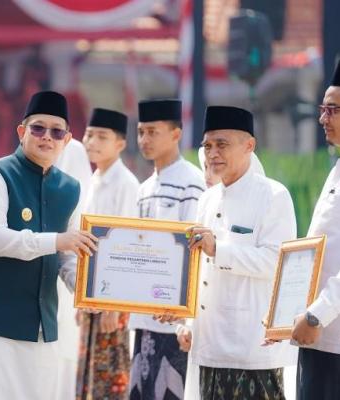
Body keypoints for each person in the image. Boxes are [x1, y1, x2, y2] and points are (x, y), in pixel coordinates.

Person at [0, 90, 98, 400]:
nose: (46, 137)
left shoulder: (70, 188)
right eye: (38, 128)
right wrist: (56, 241)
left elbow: (67, 255)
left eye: (56, 131)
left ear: (67, 139)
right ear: (22, 131)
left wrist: (88, 290)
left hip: (41, 324)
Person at [177, 105, 297, 400]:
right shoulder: (207, 198)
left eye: (222, 144)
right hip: (209, 345)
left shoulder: (273, 195)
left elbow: (276, 262)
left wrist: (219, 249)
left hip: (250, 346)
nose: (212, 153)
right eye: (207, 146)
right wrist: (186, 320)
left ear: (249, 146)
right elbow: (198, 267)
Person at [129, 99, 205, 400]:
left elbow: (193, 254)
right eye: (140, 132)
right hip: (145, 315)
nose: (144, 140)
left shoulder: (192, 184)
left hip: (173, 317)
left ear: (176, 134)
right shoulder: (144, 188)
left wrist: (185, 316)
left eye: (152, 132)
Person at [290, 59, 340, 399]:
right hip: (318, 337)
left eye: (332, 110)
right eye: (321, 109)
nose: (322, 119)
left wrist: (316, 315)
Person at [76, 108, 139, 399]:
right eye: (89, 135)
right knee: (89, 371)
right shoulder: (93, 180)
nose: (92, 142)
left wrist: (115, 304)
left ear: (120, 144)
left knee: (111, 373)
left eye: (102, 136)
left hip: (113, 293)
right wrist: (81, 297)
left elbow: (126, 245)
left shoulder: (125, 184)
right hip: (91, 292)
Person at [54, 136, 93, 400]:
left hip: (69, 266)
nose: (47, 137)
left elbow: (81, 217)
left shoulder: (74, 151)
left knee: (65, 356)